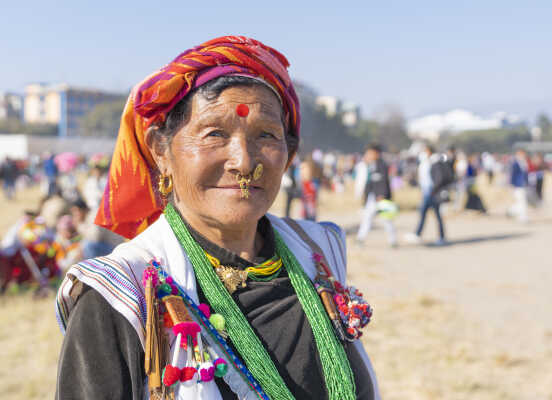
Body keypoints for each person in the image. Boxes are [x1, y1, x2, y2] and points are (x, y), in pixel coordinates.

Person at [55, 36, 379, 400]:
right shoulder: (120, 297)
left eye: (266, 135)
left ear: (289, 153)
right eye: (214, 134)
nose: (243, 162)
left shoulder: (319, 250)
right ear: (161, 150)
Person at [355, 144, 397, 247]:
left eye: (370, 153)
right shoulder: (370, 165)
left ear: (376, 154)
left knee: (386, 220)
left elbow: (383, 181)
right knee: (367, 218)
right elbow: (369, 182)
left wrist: (382, 195)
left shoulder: (382, 165)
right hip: (372, 196)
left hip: (381, 197)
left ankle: (392, 241)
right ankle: (360, 239)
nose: (368, 155)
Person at [406, 145, 447, 245]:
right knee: (433, 214)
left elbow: (438, 178)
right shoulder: (426, 162)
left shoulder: (435, 162)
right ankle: (439, 236)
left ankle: (419, 234)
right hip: (427, 191)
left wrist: (433, 190)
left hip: (432, 192)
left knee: (426, 213)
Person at [507, 149, 529, 222]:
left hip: (523, 185)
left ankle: (511, 211)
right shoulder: (515, 164)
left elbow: (525, 175)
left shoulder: (524, 163)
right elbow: (513, 175)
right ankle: (522, 217)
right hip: (517, 185)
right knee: (521, 201)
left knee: (521, 201)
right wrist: (512, 185)